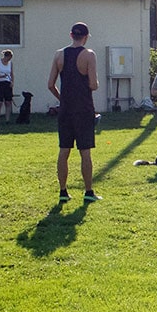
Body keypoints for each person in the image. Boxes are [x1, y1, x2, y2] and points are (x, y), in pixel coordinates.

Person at [47, 22, 100, 203]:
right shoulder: (89, 55)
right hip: (83, 108)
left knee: (64, 150)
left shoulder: (59, 54)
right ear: (86, 37)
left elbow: (50, 84)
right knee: (85, 151)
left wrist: (62, 99)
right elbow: (93, 84)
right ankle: (88, 191)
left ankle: (63, 191)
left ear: (71, 35)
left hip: (66, 109)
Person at [0, 49, 16, 124]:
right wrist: (1, 76)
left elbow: (11, 74)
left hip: (7, 83)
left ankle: (7, 120)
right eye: (8, 58)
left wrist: (12, 82)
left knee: (8, 102)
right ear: (6, 56)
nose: (9, 60)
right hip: (0, 83)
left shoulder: (10, 63)